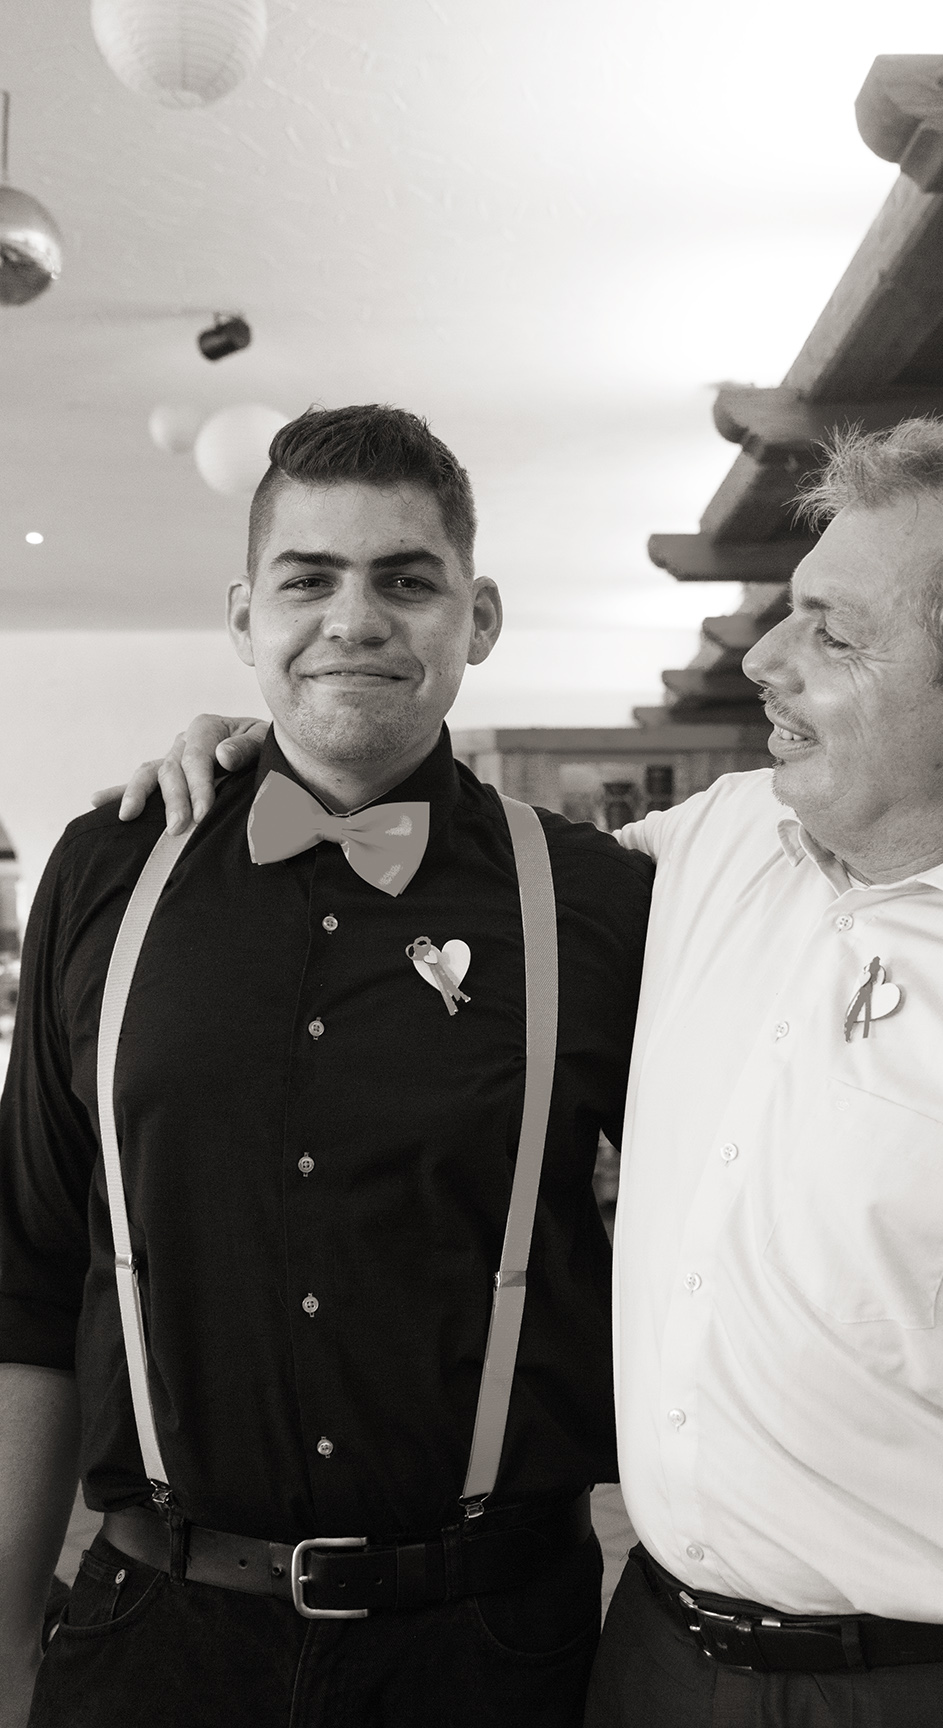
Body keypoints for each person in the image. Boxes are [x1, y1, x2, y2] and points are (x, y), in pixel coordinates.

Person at [142, 419, 943, 1728]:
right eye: (788, 611)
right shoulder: (720, 847)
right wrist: (288, 741)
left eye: (835, 635)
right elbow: (462, 867)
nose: (766, 659)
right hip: (649, 1662)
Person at [0, 404, 653, 1728]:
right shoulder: (107, 868)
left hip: (488, 1650)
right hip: (150, 1639)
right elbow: (27, 1270)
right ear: (248, 620)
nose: (354, 620)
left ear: (478, 619)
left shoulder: (598, 900)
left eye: (406, 581)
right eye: (309, 581)